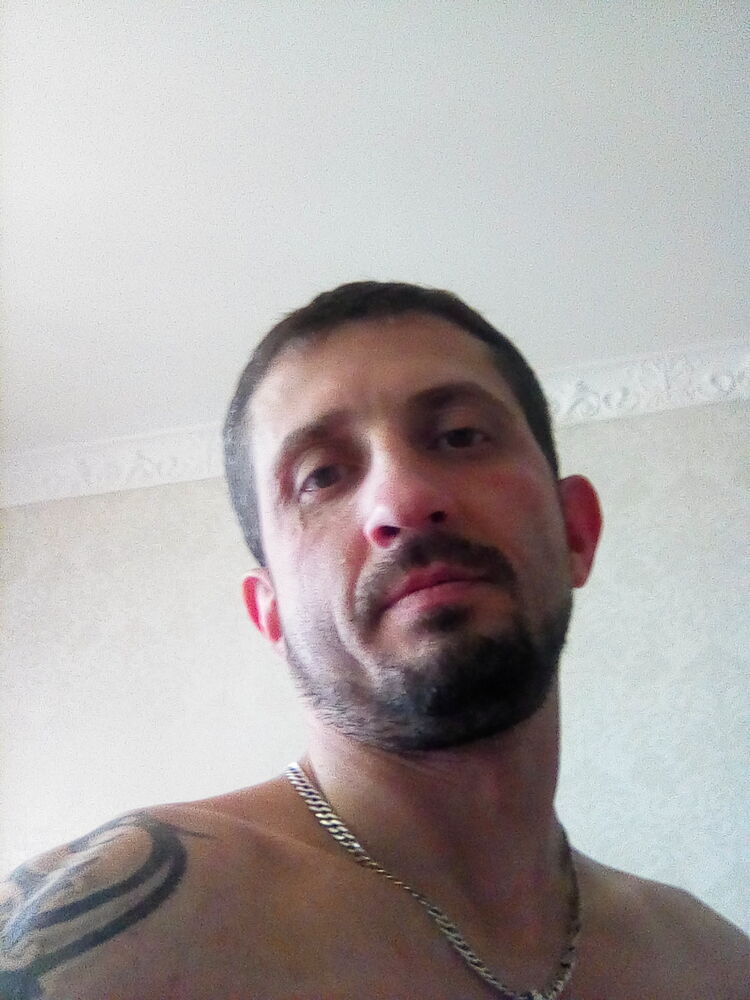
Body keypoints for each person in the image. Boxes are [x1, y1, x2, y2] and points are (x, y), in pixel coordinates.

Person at [1, 282, 747, 1000]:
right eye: (322, 476)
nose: (404, 500)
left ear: (576, 531)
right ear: (270, 615)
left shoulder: (708, 962)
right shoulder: (119, 930)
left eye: (460, 436)